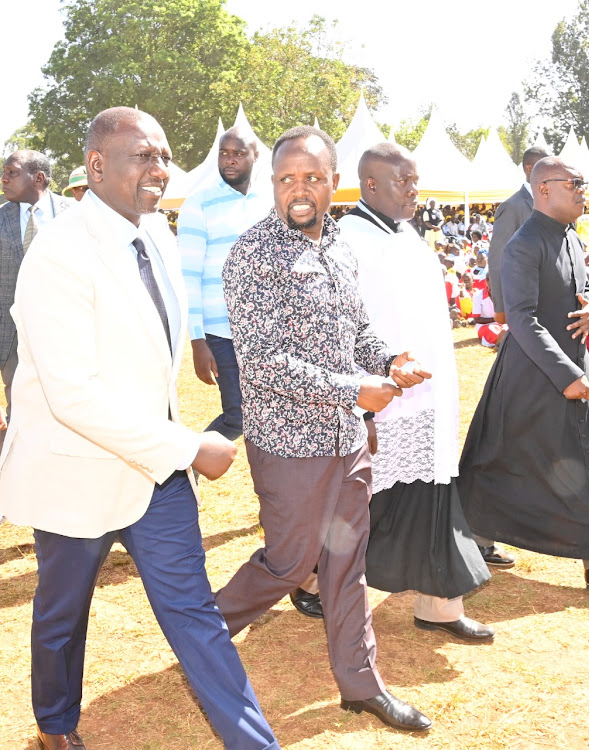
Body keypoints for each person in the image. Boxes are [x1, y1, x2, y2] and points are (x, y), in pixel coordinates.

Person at [0, 107, 279, 750]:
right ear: (96, 167)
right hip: (78, 467)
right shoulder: (60, 252)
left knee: (195, 618)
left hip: (155, 473)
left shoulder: (156, 233)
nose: (161, 169)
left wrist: (172, 447)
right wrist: (189, 446)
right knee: (63, 616)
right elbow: (73, 396)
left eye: (164, 155)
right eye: (143, 156)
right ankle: (56, 725)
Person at [217, 126, 433, 732]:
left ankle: (360, 685)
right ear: (273, 184)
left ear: (333, 182)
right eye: (287, 179)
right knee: (290, 563)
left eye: (313, 177)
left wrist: (389, 361)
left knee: (346, 562)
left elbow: (355, 334)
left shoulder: (339, 246)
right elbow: (264, 362)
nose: (300, 190)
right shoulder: (254, 256)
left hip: (345, 438)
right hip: (289, 443)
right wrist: (353, 391)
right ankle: (201, 631)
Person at [293, 143, 493, 642]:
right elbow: (334, 330)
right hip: (376, 399)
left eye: (415, 180)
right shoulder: (345, 241)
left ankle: (439, 604)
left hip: (424, 396)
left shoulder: (408, 235)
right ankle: (312, 577)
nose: (414, 190)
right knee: (361, 501)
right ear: (372, 185)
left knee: (431, 495)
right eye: (404, 181)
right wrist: (357, 405)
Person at [457, 156, 589, 592]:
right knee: (497, 464)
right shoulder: (524, 244)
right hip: (532, 376)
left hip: (570, 367)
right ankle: (470, 543)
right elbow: (523, 319)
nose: (584, 190)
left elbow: (582, 289)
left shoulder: (569, 237)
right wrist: (565, 375)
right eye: (576, 183)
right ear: (544, 189)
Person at [178, 126, 271, 441]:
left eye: (239, 153)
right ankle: (186, 470)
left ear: (255, 157)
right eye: (224, 153)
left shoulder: (270, 204)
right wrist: (197, 340)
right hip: (221, 334)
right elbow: (187, 275)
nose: (230, 160)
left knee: (268, 413)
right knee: (238, 417)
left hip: (266, 332)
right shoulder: (198, 203)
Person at [0, 150, 72, 449]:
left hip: (66, 332)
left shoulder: (76, 215)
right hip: (12, 338)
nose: (4, 178)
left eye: (12, 172)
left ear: (39, 178)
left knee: (69, 409)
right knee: (20, 410)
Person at [488, 146, 549, 325]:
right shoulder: (512, 207)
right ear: (530, 169)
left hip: (551, 300)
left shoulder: (553, 203)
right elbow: (497, 258)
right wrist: (500, 306)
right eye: (545, 166)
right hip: (523, 303)